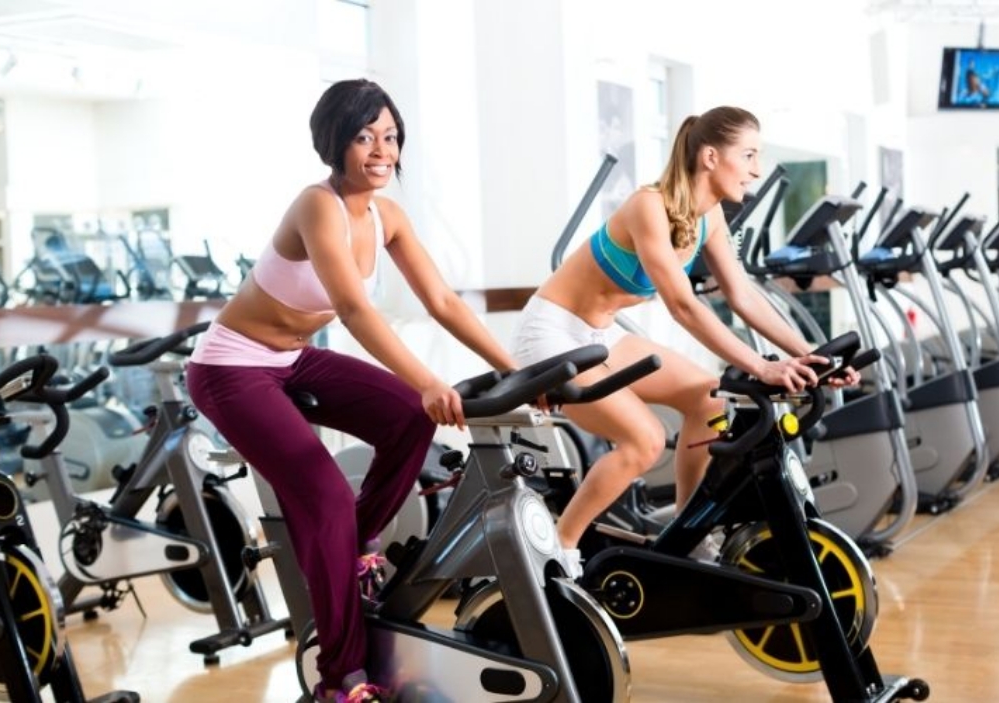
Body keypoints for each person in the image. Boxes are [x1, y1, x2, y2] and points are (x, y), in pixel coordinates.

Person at [185, 79, 519, 703]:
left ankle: (350, 544)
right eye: (365, 137)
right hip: (231, 368)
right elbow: (354, 310)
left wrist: (512, 368)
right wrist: (428, 380)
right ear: (334, 143)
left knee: (408, 418)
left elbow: (442, 301)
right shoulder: (318, 206)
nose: (381, 150)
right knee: (329, 497)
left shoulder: (387, 216)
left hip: (291, 358)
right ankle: (339, 679)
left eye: (390, 137)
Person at [510, 106, 858, 575]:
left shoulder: (709, 217)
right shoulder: (647, 206)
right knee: (644, 440)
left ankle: (688, 533)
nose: (756, 169)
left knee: (709, 398)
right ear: (710, 157)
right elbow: (683, 305)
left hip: (600, 334)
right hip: (551, 333)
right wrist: (761, 366)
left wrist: (810, 357)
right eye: (749, 155)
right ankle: (557, 552)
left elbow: (742, 295)